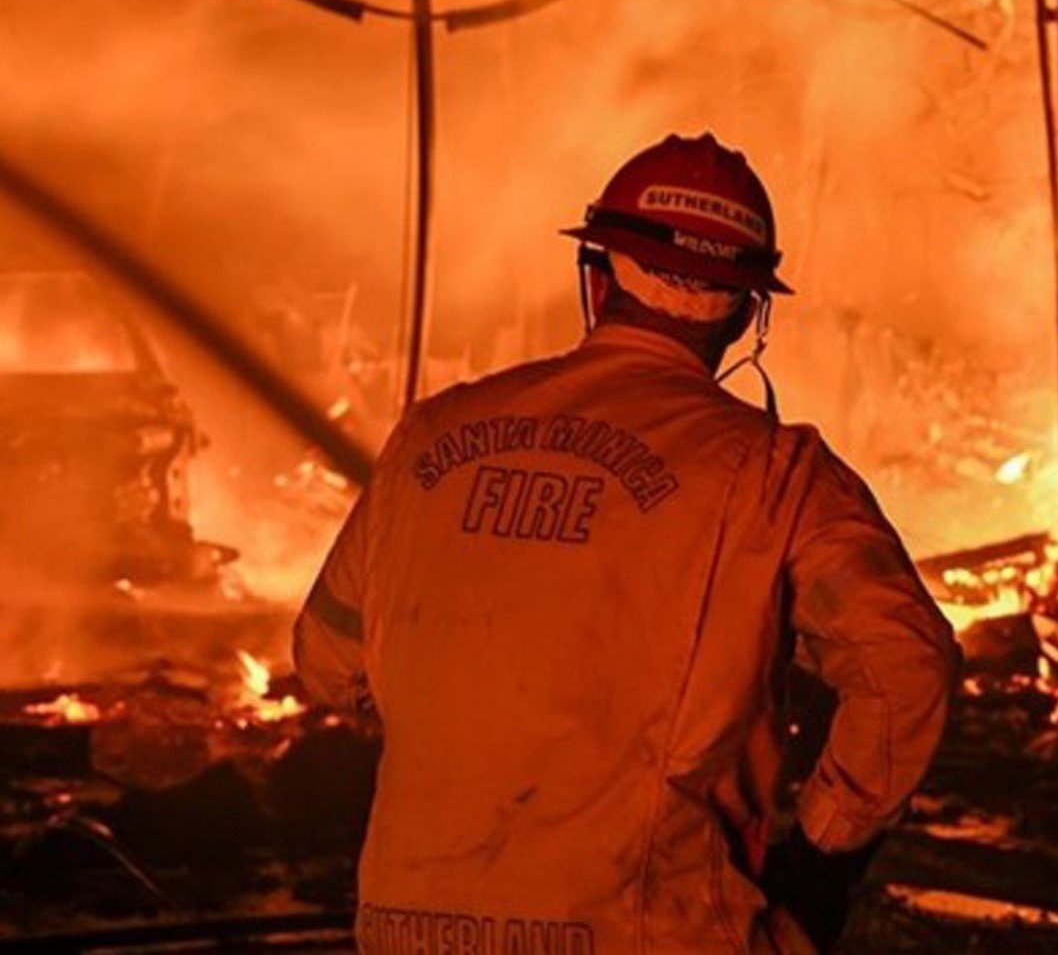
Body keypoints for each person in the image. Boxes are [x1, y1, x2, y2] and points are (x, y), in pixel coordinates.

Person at [294, 133, 960, 953]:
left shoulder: (431, 437)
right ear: (750, 312)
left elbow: (327, 663)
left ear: (598, 276)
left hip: (406, 928)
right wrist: (818, 860)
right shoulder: (777, 473)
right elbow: (906, 668)